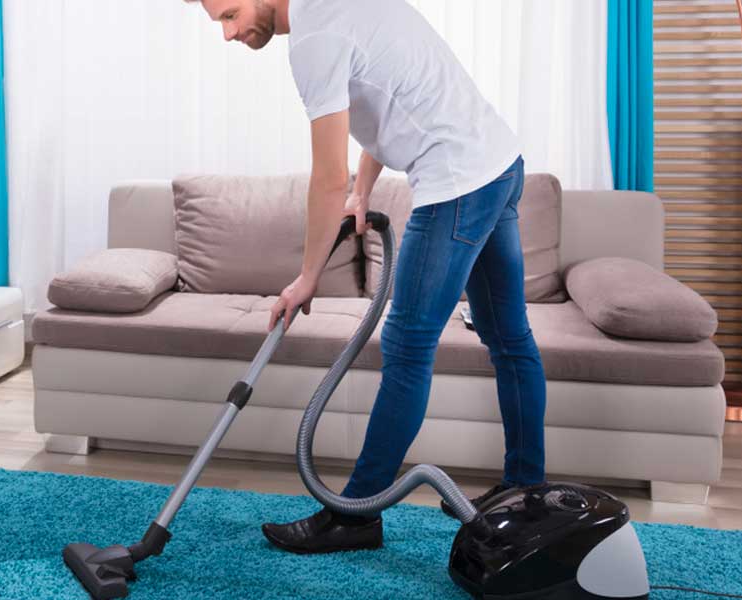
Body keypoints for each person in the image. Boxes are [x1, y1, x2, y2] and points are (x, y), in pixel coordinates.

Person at [187, 0, 548, 555]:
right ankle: (528, 490)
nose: (229, 34)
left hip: (455, 183)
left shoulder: (313, 37)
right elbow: (385, 99)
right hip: (499, 164)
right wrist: (362, 190)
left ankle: (356, 516)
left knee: (406, 348)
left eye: (230, 15)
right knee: (509, 338)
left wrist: (308, 276)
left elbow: (324, 176)